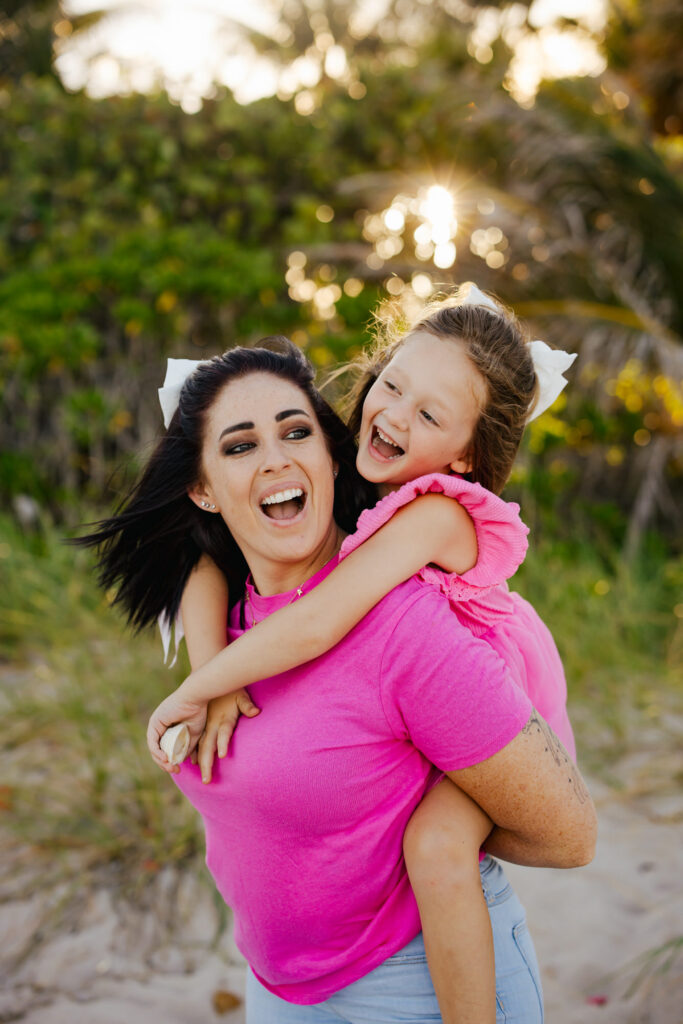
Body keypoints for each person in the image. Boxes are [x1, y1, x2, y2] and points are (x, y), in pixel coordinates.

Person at [82, 339, 596, 1023]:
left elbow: (568, 836)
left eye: (296, 432)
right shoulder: (228, 603)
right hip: (279, 988)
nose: (274, 458)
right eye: (238, 447)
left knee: (435, 843)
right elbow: (194, 568)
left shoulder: (403, 612)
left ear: (328, 453)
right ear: (201, 488)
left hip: (415, 983)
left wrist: (195, 690)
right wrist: (213, 674)